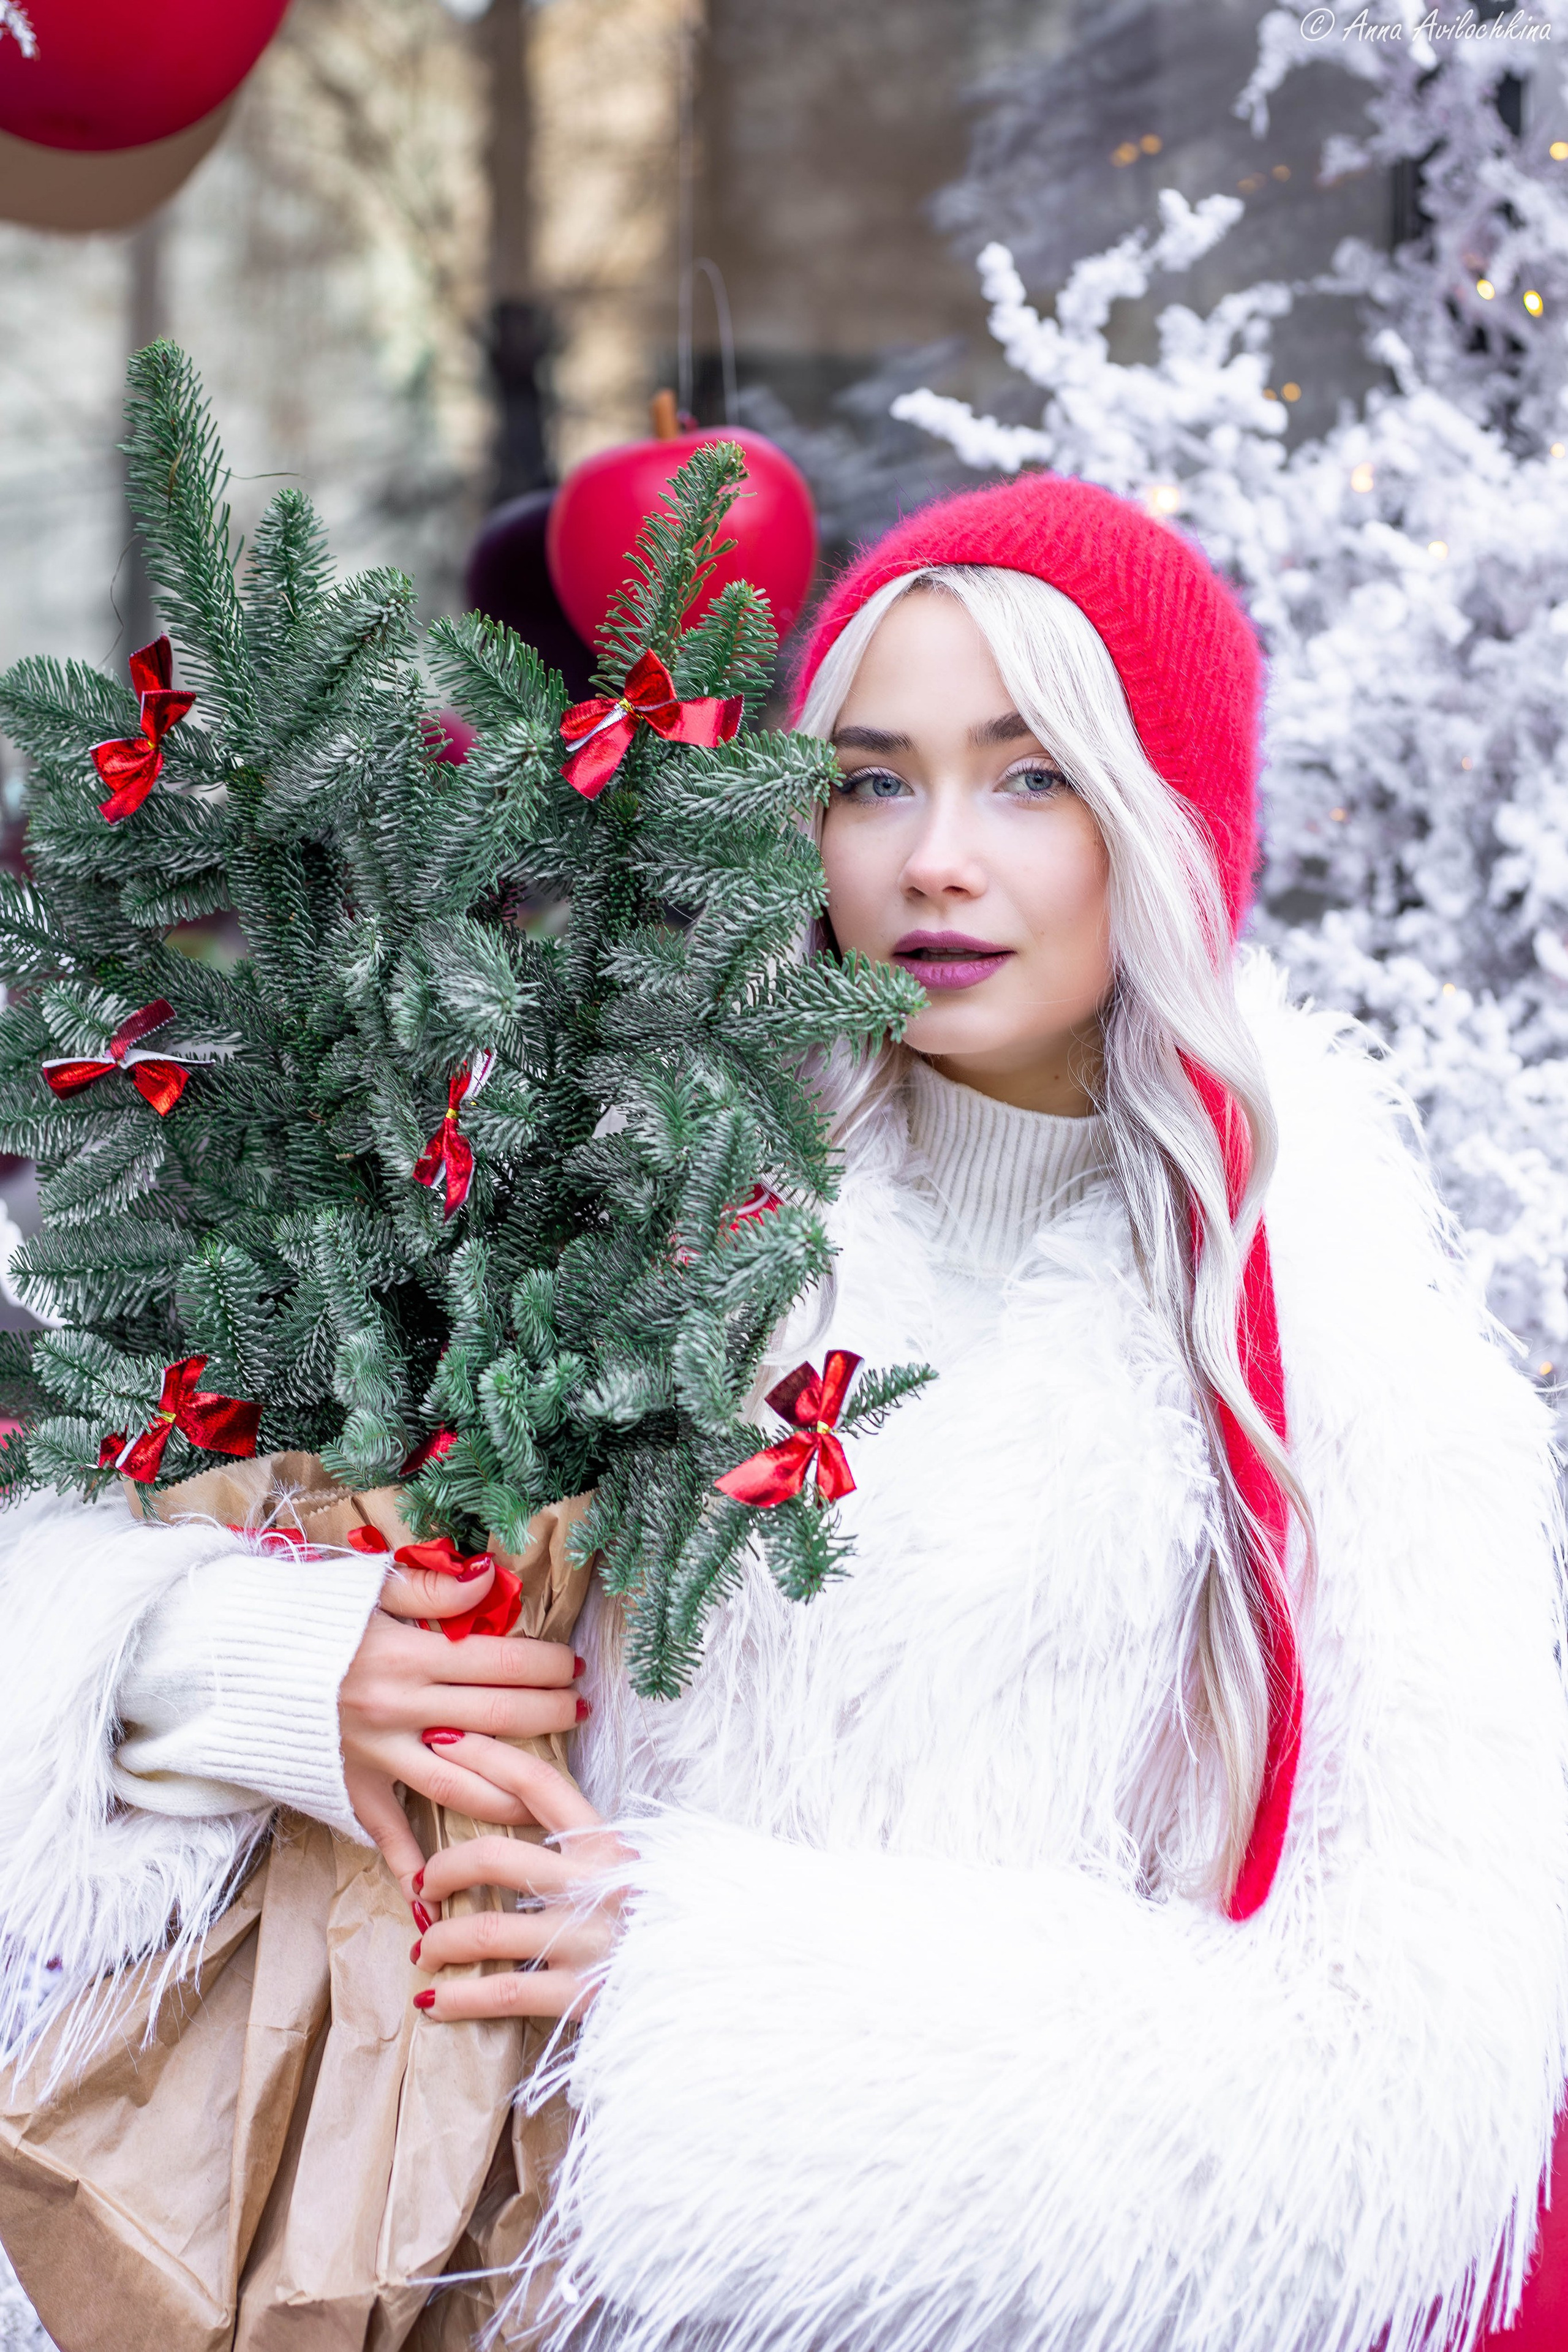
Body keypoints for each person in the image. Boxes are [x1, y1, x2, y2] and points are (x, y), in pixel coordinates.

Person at [0, 470, 1565, 2352]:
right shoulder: (610, 1199)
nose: (937, 861)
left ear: (1164, 821)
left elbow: (1401, 2094)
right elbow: (76, 1565)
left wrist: (704, 1981)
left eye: (1032, 775)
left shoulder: (1344, 1375)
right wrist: (263, 1667)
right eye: (875, 778)